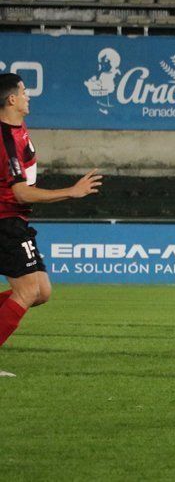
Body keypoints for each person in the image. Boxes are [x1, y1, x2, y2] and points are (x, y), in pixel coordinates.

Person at [0, 73, 102, 377]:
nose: (28, 95)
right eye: (22, 91)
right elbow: (18, 191)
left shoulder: (17, 129)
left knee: (41, 291)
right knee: (27, 291)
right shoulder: (6, 140)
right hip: (5, 220)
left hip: (16, 219)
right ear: (11, 100)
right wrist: (70, 191)